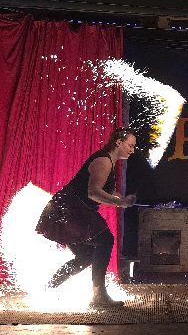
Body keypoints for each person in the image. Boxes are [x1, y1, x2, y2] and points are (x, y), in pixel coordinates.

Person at [38, 128, 138, 308]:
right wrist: (120, 202)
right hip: (70, 208)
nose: (132, 150)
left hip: (69, 208)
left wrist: (121, 199)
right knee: (105, 240)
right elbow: (93, 193)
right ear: (118, 143)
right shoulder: (103, 161)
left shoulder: (109, 162)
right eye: (130, 145)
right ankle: (99, 296)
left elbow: (105, 192)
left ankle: (47, 290)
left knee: (86, 256)